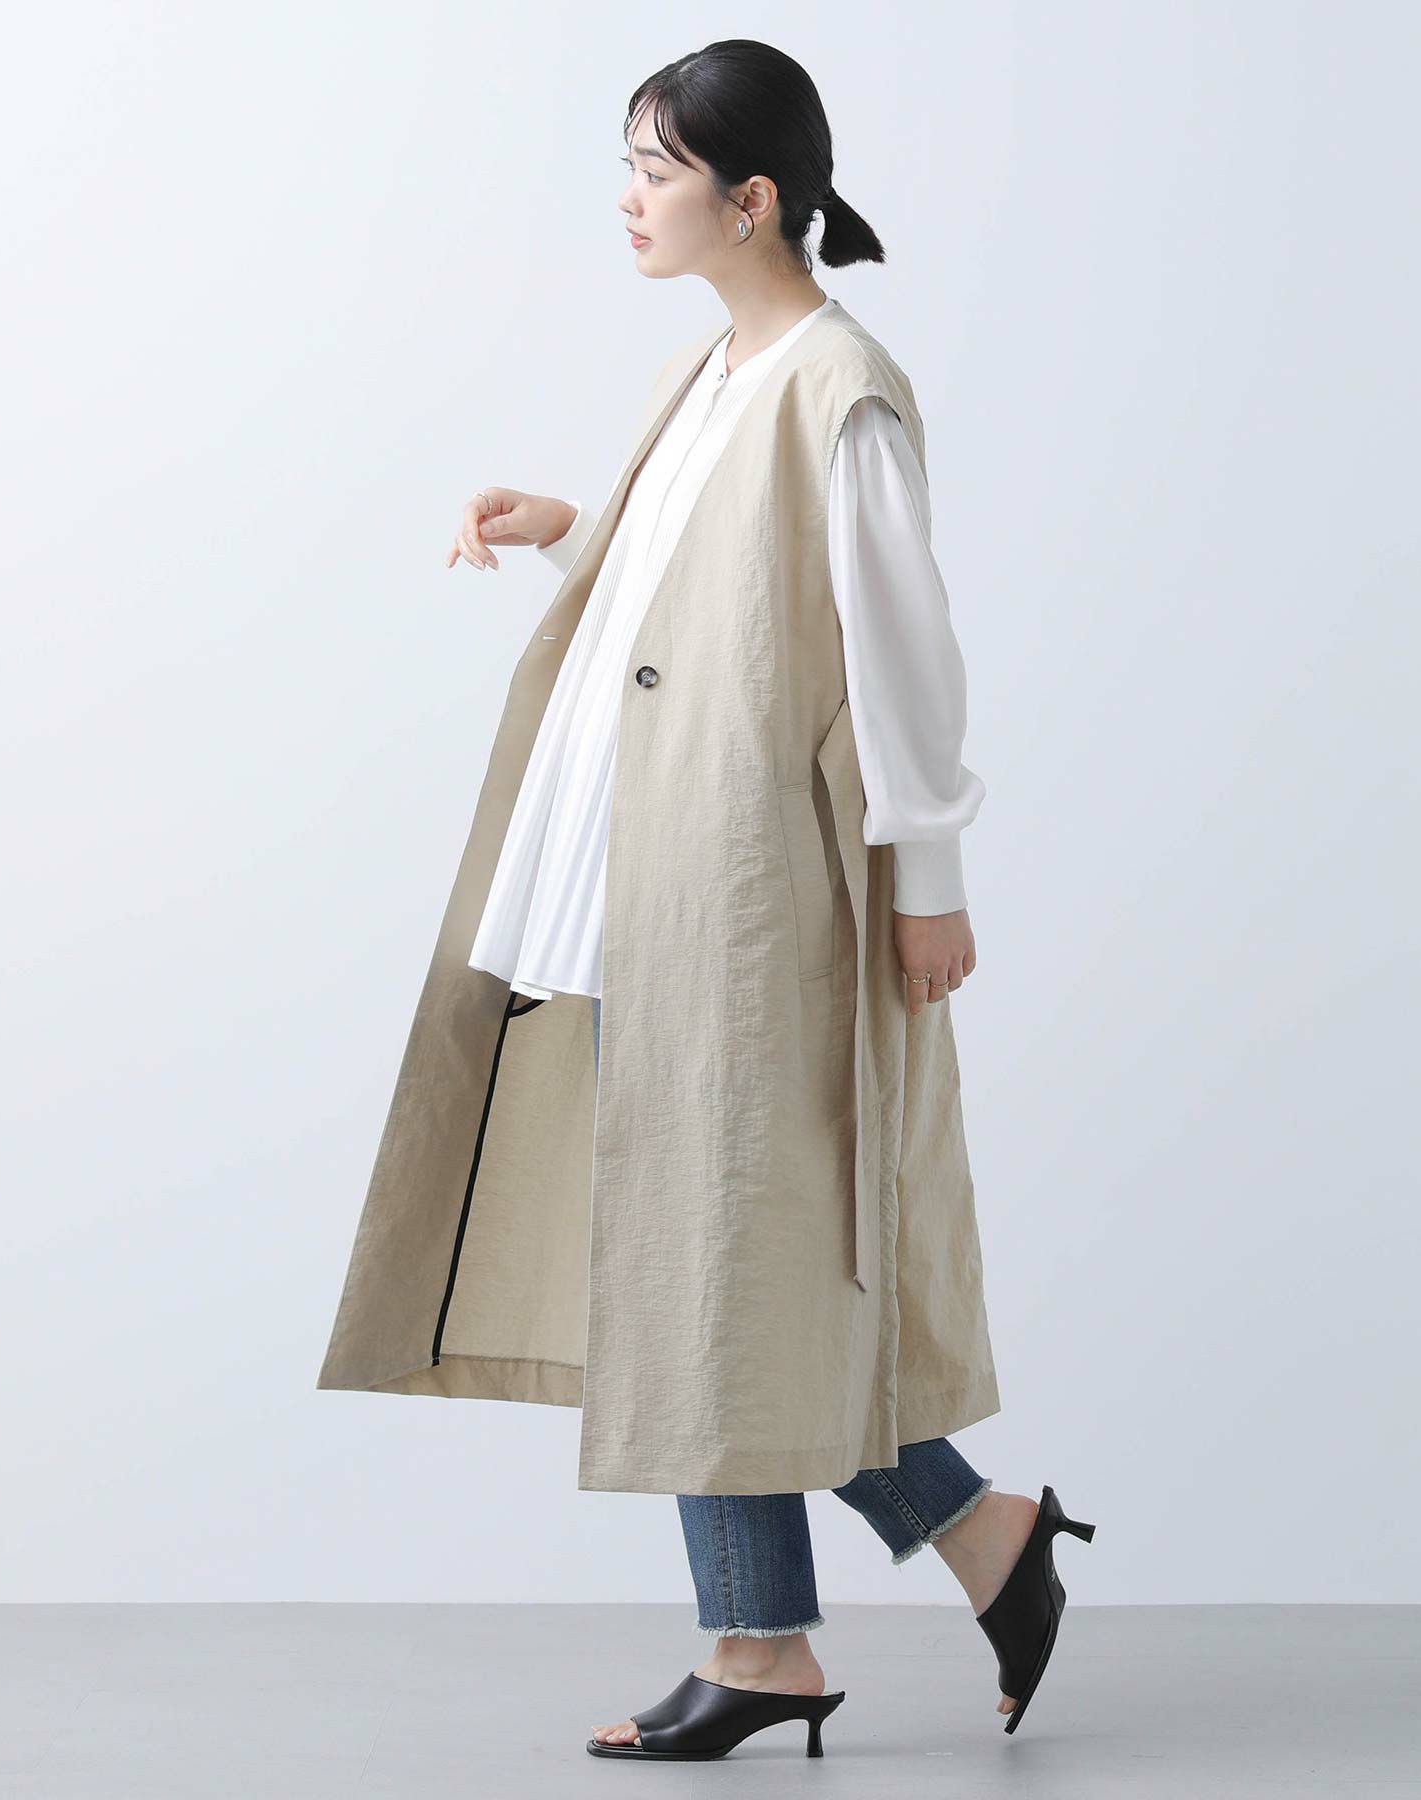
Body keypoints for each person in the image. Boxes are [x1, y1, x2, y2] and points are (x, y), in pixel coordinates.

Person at [436, 39, 1097, 1762]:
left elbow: (902, 651)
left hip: (748, 891)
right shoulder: (715, 368)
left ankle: (779, 1635)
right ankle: (953, 1549)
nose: (628, 199)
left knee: (717, 1260)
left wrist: (929, 877)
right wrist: (571, 525)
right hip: (650, 878)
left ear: (749, 200)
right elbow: (702, 575)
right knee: (711, 1260)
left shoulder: (840, 386)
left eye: (655, 170)